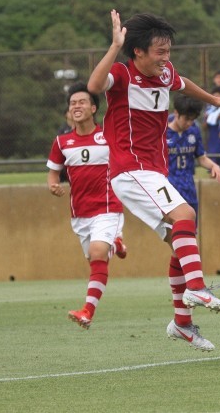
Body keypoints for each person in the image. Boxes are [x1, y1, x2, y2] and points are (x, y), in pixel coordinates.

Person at [87, 10, 220, 351]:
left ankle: (182, 324)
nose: (166, 58)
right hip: (130, 169)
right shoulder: (122, 74)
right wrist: (115, 45)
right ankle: (197, 287)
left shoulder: (165, 72)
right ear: (138, 51)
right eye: (160, 51)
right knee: (186, 215)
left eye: (168, 50)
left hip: (152, 170)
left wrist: (214, 99)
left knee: (181, 238)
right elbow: (94, 87)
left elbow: (182, 83)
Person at [47, 83, 127, 329]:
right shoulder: (62, 142)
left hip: (108, 207)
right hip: (80, 214)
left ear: (93, 108)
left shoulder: (108, 136)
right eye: (73, 104)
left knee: (97, 253)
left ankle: (87, 311)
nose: (76, 106)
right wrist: (53, 185)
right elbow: (53, 172)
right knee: (95, 258)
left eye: (82, 102)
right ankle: (116, 242)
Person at [167, 93, 220, 217]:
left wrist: (214, 166)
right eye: (186, 119)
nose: (189, 123)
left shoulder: (194, 131)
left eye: (192, 120)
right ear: (176, 113)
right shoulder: (163, 133)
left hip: (188, 186)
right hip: (169, 187)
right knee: (172, 230)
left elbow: (201, 158)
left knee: (191, 229)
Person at [203, 86, 220, 166]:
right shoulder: (209, 110)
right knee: (212, 164)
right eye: (214, 96)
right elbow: (204, 127)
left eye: (218, 95)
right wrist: (207, 119)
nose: (216, 98)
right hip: (212, 140)